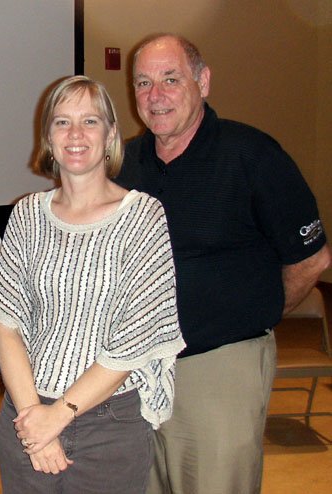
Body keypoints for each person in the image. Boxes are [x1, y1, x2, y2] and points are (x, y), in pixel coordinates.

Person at [116, 34, 332, 494]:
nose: (155, 95)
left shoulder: (253, 155)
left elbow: (312, 260)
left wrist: (254, 316)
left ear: (203, 81)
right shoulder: (125, 163)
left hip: (219, 367)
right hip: (134, 369)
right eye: (143, 82)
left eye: (170, 79)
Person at [0, 75, 185, 494]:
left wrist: (57, 415)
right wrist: (34, 419)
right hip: (26, 415)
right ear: (48, 137)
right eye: (62, 122)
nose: (75, 134)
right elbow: (7, 324)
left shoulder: (144, 218)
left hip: (110, 428)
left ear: (111, 134)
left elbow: (132, 342)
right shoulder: (26, 215)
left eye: (90, 121)